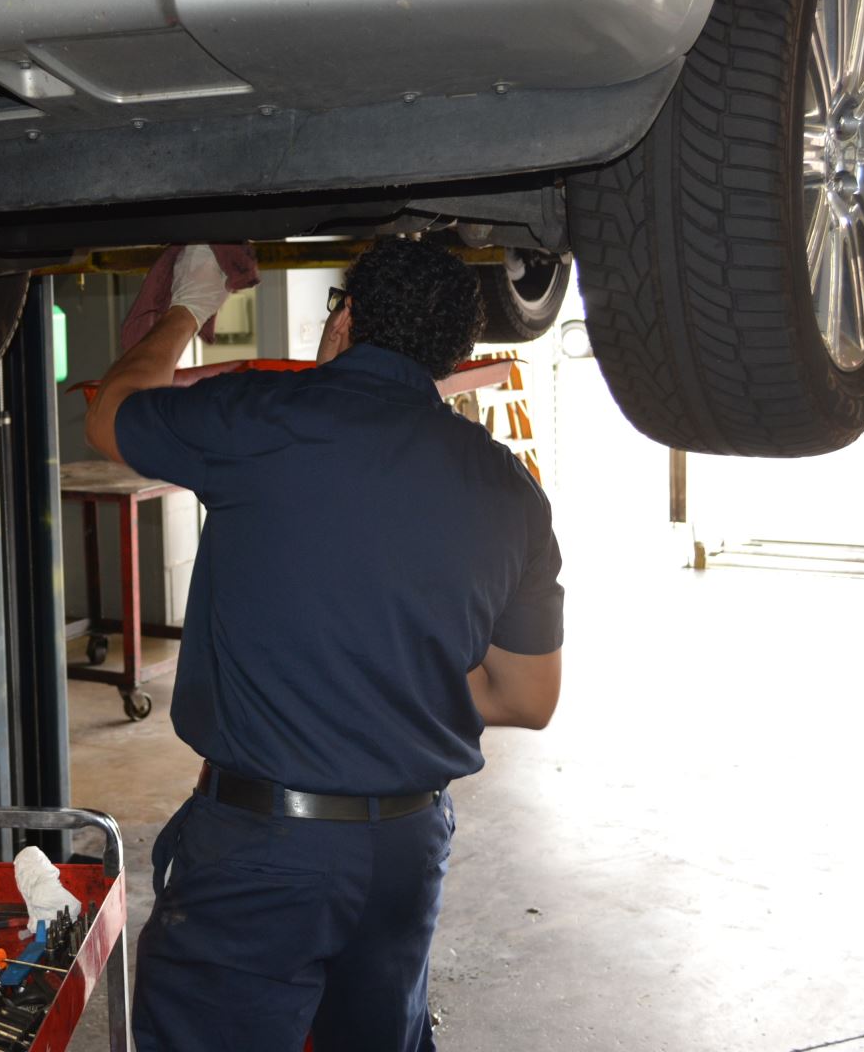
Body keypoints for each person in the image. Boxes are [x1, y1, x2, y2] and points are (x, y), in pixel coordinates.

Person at [84, 240, 564, 1051]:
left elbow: (111, 413)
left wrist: (188, 308)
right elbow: (528, 698)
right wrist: (399, 684)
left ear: (343, 318)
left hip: (263, 852)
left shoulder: (260, 419)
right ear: (458, 357)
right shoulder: (509, 490)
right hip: (407, 855)